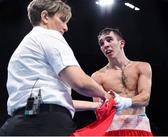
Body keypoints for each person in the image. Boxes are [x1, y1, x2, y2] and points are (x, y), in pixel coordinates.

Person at [0, 0, 112, 136]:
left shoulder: (26, 46)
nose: (66, 28)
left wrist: (96, 105)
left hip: (18, 124)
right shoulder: (49, 35)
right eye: (62, 20)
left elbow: (43, 101)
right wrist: (106, 96)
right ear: (45, 17)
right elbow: (80, 82)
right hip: (46, 125)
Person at [91, 27, 153, 136]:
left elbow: (145, 98)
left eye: (109, 40)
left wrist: (123, 101)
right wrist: (106, 106)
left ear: (121, 43)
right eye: (101, 43)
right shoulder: (98, 76)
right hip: (112, 129)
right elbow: (99, 110)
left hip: (139, 127)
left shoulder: (142, 67)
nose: (105, 45)